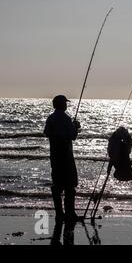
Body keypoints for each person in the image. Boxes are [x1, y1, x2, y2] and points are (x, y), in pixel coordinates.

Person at [44, 95, 82, 223]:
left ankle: (59, 214)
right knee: (70, 186)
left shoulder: (51, 118)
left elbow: (46, 132)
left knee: (57, 185)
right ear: (61, 104)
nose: (66, 105)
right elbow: (73, 136)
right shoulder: (66, 119)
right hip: (66, 157)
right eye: (65, 103)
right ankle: (70, 213)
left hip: (54, 156)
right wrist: (75, 127)